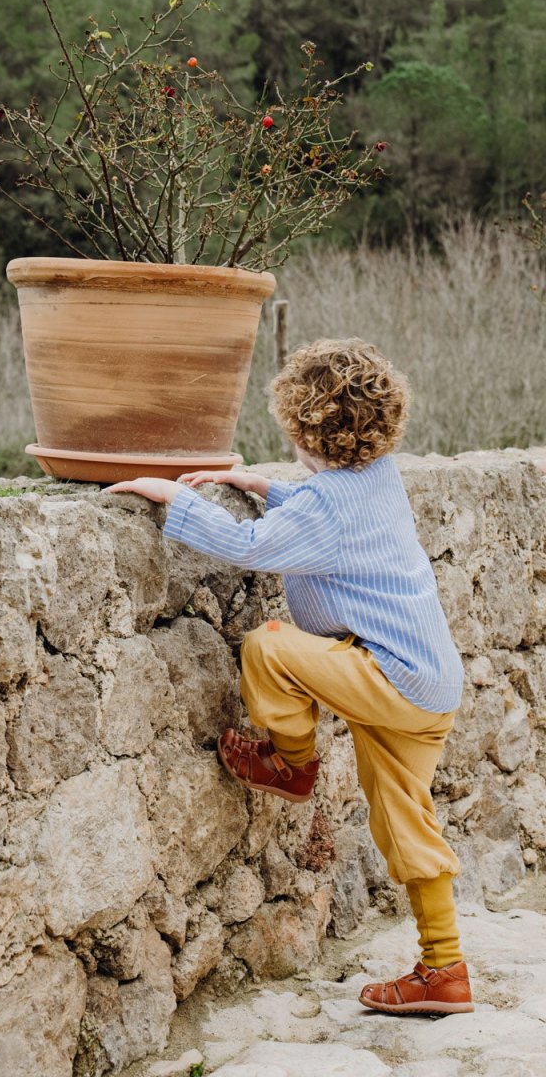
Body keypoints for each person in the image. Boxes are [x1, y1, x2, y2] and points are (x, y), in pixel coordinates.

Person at [108, 337, 472, 1016]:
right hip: (429, 687)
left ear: (304, 430)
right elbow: (327, 519)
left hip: (386, 676)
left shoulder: (323, 506)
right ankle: (444, 969)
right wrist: (270, 489)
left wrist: (170, 498)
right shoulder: (378, 479)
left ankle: (291, 765)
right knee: (407, 823)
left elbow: (250, 546)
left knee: (271, 646)